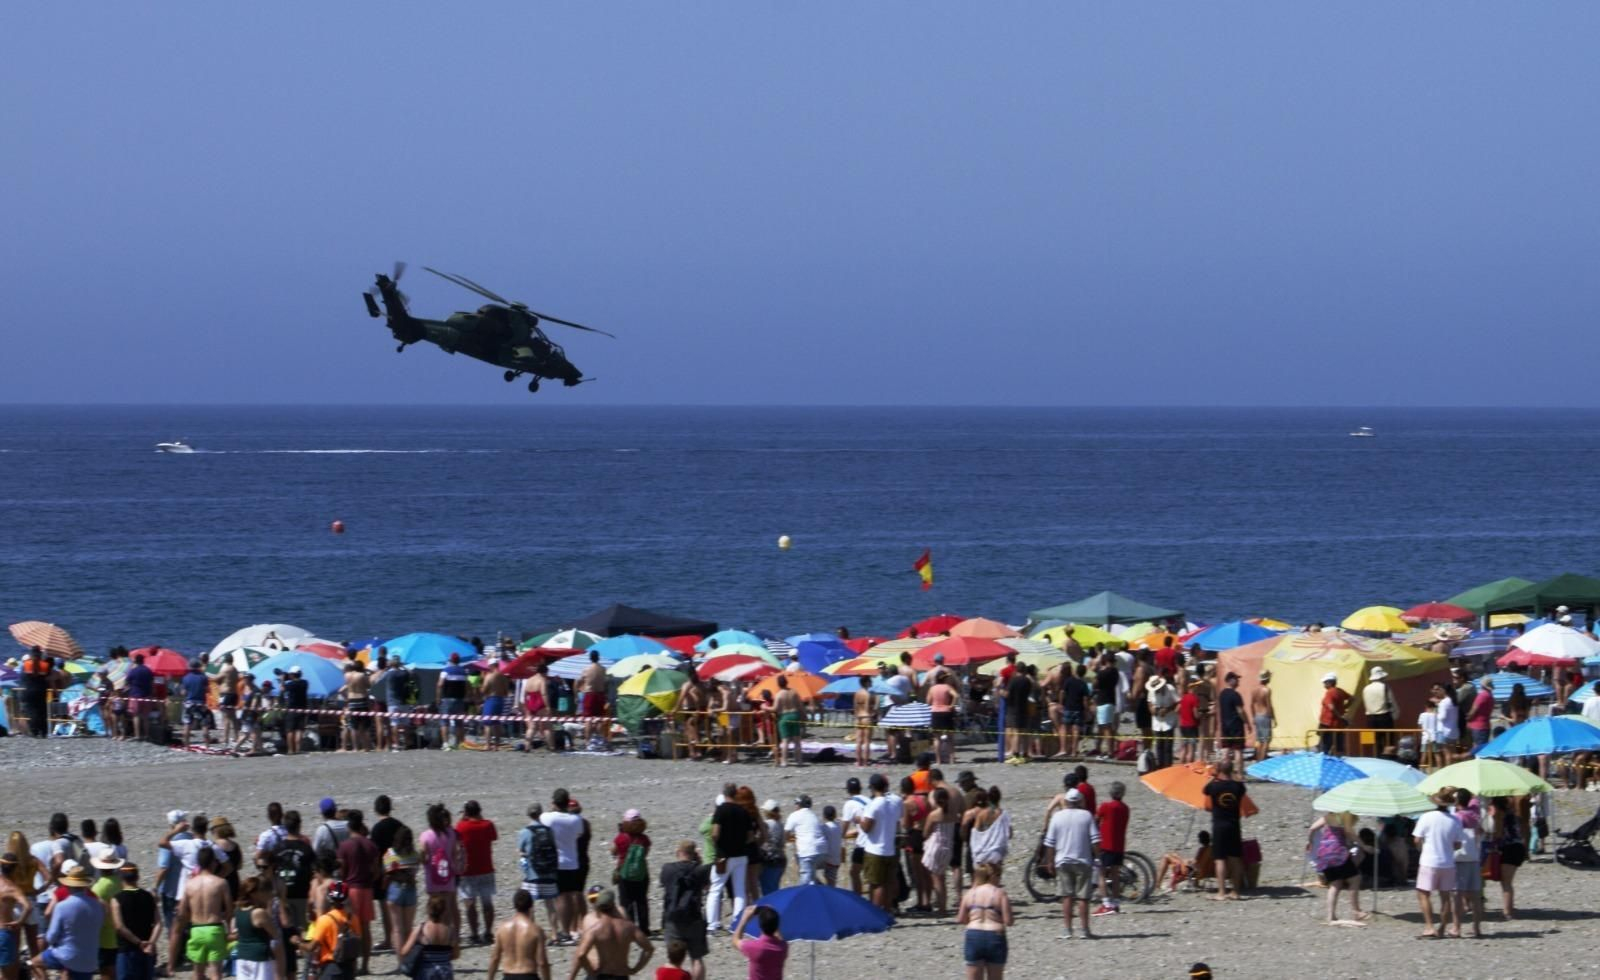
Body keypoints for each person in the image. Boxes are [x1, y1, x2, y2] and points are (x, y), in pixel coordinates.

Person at [1041, 788, 1099, 939]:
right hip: (1083, 860)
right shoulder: (1087, 816)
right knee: (1083, 898)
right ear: (1080, 801)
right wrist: (1099, 857)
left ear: (1066, 801)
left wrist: (1049, 861)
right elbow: (1095, 840)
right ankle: (1085, 930)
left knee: (1066, 897)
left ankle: (1068, 930)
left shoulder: (1057, 817)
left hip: (1063, 861)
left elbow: (1050, 843)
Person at [169, 847, 229, 980]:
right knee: (216, 973)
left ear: (199, 864)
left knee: (197, 974)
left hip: (196, 929)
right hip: (214, 928)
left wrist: (177, 929)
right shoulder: (221, 883)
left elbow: (182, 911)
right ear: (213, 862)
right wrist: (230, 930)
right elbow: (229, 910)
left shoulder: (190, 884)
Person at [564, 889, 651, 980]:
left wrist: (590, 971)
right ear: (613, 904)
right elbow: (649, 949)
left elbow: (581, 954)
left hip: (601, 974)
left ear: (598, 907)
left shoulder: (595, 929)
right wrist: (635, 969)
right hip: (621, 975)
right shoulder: (628, 927)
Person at [1413, 788, 1464, 938]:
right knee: (1445, 896)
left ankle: (1429, 926)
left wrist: (1420, 848)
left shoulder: (1426, 817)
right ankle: (1442, 928)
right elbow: (1458, 844)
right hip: (1447, 862)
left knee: (1423, 893)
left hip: (1429, 860)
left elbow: (1416, 839)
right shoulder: (1455, 820)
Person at [34, 865, 101, 980]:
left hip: (67, 955)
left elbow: (51, 936)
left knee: (34, 963)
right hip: (90, 959)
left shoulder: (62, 906)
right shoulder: (97, 905)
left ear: (68, 886)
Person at [334, 813, 380, 973]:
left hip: (351, 889)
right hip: (366, 889)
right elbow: (376, 870)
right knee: (366, 928)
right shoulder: (370, 845)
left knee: (350, 929)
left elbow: (341, 871)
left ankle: (352, 966)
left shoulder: (345, 846)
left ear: (348, 827)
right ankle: (365, 965)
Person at [658, 842, 710, 980]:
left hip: (672, 917)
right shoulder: (700, 869)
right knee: (697, 958)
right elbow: (706, 887)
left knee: (673, 958)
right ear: (694, 853)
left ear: (679, 851)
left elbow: (664, 883)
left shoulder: (668, 868)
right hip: (694, 917)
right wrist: (699, 862)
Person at [539, 791, 585, 945]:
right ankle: (570, 929)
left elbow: (542, 820)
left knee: (561, 898)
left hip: (558, 862)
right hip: (572, 861)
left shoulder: (548, 817)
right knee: (571, 896)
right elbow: (579, 833)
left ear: (554, 802)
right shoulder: (576, 820)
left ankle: (565, 931)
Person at [706, 786, 753, 930]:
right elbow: (750, 836)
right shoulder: (743, 811)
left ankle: (712, 924)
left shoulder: (721, 810)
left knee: (716, 888)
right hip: (741, 855)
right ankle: (737, 923)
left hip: (724, 856)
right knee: (739, 890)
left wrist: (717, 845)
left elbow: (715, 833)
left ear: (724, 794)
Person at [956, 862, 1012, 980]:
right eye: (999, 876)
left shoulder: (970, 893)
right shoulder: (1000, 893)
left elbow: (960, 919)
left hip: (974, 935)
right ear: (993, 876)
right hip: (995, 936)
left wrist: (973, 919)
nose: (999, 880)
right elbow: (1008, 921)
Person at [1308, 813, 1366, 925]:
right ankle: (1356, 911)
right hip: (1337, 851)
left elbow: (1312, 828)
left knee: (1335, 884)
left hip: (1324, 852)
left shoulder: (1328, 815)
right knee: (1355, 879)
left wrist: (1310, 842)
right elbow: (1349, 832)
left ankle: (1331, 916)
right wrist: (1363, 845)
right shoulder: (1345, 814)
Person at [1201, 760, 1247, 900]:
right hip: (1234, 825)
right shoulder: (1238, 787)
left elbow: (1204, 789)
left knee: (1220, 859)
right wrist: (1234, 775)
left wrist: (1213, 775)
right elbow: (1241, 786)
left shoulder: (1214, 787)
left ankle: (1221, 892)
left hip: (1219, 825)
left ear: (1219, 770)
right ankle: (1236, 892)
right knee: (1235, 859)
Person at [453, 801, 498, 945]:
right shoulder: (488, 825)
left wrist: (462, 819)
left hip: (468, 870)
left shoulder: (461, 826)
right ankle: (488, 932)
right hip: (486, 868)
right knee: (487, 903)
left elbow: (456, 836)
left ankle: (474, 934)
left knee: (469, 902)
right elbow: (493, 837)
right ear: (479, 811)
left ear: (466, 812)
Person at [858, 774, 902, 913]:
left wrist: (860, 820)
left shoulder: (875, 803)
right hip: (890, 847)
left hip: (875, 849)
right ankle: (888, 912)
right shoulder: (894, 802)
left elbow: (867, 828)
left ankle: (876, 914)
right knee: (888, 883)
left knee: (876, 884)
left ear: (872, 788)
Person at [420, 805, 465, 941]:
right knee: (449, 909)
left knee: (433, 908)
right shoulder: (451, 834)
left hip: (432, 877)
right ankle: (450, 937)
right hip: (448, 876)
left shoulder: (426, 835)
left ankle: (434, 936)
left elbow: (423, 857)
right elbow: (454, 854)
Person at [108, 864, 159, 980]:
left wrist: (139, 943)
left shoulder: (117, 899)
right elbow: (158, 923)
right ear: (138, 877)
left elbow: (119, 927)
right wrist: (151, 943)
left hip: (127, 950)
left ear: (121, 878)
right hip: (147, 950)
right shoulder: (149, 896)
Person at [485, 890, 548, 980]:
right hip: (529, 976)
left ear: (514, 905)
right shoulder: (536, 930)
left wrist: (490, 978)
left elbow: (495, 958)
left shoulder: (502, 928)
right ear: (531, 905)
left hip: (508, 976)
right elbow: (542, 962)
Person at [232, 877, 284, 980]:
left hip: (242, 956)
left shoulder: (238, 910)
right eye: (265, 891)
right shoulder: (259, 913)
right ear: (255, 893)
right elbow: (276, 935)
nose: (269, 894)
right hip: (259, 958)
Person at [383, 825, 421, 962]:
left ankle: (401, 960)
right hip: (411, 889)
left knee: (397, 928)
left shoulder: (390, 853)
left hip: (395, 889)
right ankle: (409, 956)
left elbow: (387, 871)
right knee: (408, 927)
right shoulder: (414, 855)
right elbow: (416, 869)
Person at [397, 894, 457, 980]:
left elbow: (404, 952)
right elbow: (456, 954)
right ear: (444, 911)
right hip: (445, 972)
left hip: (425, 972)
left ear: (428, 909)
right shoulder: (450, 930)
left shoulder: (420, 929)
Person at [1451, 789, 1486, 938]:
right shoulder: (1475, 816)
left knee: (1457, 895)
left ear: (1458, 801)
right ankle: (1477, 928)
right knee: (1475, 895)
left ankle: (1456, 927)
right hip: (1474, 857)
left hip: (1460, 858)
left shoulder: (1457, 818)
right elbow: (1481, 833)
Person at [1092, 782, 1130, 916]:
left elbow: (1095, 820)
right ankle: (1116, 903)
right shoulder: (1125, 808)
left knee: (1101, 874)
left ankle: (1106, 904)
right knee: (1115, 874)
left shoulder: (1106, 806)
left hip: (1106, 844)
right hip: (1119, 845)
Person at [1485, 795, 1526, 920]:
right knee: (1507, 882)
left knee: (1506, 883)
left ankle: (1508, 912)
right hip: (1518, 847)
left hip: (1509, 847)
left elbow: (1498, 833)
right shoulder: (1512, 813)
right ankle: (1508, 909)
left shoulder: (1500, 815)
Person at [611, 809, 651, 933]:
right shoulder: (644, 839)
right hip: (641, 874)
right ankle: (644, 928)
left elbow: (614, 851)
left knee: (626, 901)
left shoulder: (620, 838)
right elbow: (645, 853)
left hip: (624, 872)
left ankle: (630, 927)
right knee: (641, 901)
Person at [964, 788, 1011, 881]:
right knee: (995, 879)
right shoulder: (1003, 814)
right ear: (999, 798)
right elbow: (1009, 833)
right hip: (997, 852)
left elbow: (975, 833)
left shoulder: (982, 814)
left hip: (983, 852)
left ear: (988, 799)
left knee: (980, 880)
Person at [920, 788, 954, 917]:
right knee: (942, 878)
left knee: (936, 879)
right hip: (948, 847)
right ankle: (943, 906)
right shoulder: (952, 813)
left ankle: (941, 908)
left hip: (936, 846)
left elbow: (925, 832)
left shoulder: (934, 815)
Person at [728, 906, 785, 980]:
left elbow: (735, 941)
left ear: (760, 925)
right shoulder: (783, 947)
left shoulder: (755, 947)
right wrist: (771, 914)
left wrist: (744, 920)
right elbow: (779, 937)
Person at [782, 798, 824, 886]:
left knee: (804, 882)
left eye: (796, 804)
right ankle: (822, 890)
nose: (795, 806)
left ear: (800, 805)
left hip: (807, 852)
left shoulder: (795, 815)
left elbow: (785, 833)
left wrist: (786, 841)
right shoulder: (813, 815)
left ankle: (801, 898)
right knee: (812, 878)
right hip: (822, 852)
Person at [1361, 667, 1398, 754]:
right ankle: (1387, 759)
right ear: (1381, 677)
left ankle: (1375, 757)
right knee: (1388, 740)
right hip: (1384, 716)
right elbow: (1391, 702)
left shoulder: (1366, 688)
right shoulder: (1385, 687)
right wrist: (1395, 714)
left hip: (1370, 718)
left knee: (1373, 741)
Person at [1216, 672, 1248, 773]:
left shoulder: (1222, 694)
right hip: (1236, 726)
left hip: (1225, 725)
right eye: (1236, 679)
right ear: (1231, 680)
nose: (1238, 681)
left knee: (1225, 749)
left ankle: (1222, 772)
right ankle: (1239, 773)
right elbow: (1240, 711)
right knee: (1238, 750)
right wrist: (1247, 722)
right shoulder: (1235, 695)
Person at [1317, 673, 1351, 755]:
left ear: (1330, 682)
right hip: (1339, 724)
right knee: (1339, 747)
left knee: (1324, 747)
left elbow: (1331, 707)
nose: (1324, 684)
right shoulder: (1340, 691)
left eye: (1325, 682)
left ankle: (1325, 764)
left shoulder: (1330, 693)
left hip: (1328, 724)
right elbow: (1353, 698)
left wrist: (1340, 715)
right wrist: (1344, 708)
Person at [1249, 671, 1275, 761]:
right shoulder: (1267, 690)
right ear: (1267, 679)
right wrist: (1273, 718)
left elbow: (1251, 705)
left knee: (1259, 740)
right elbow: (1269, 705)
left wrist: (1253, 717)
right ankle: (1262, 760)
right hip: (1265, 715)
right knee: (1266, 740)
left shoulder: (1254, 690)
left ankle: (1258, 759)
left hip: (1257, 715)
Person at [1466, 680, 1495, 752]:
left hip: (1478, 726)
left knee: (1478, 749)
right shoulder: (1490, 695)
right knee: (1482, 748)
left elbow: (1473, 710)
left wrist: (1467, 719)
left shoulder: (1482, 695)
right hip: (1485, 725)